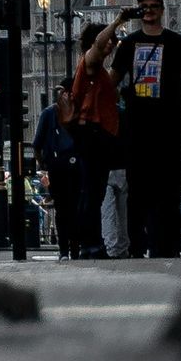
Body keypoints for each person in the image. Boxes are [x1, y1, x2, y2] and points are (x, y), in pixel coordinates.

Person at [87, 0, 181, 257]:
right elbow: (111, 84)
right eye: (143, 7)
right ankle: (138, 250)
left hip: (169, 126)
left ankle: (168, 249)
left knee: (169, 190)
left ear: (162, 10)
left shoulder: (177, 43)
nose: (148, 11)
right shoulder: (128, 44)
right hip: (137, 129)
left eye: (153, 6)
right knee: (137, 191)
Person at [68, 20, 122, 258]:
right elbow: (99, 45)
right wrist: (118, 21)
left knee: (95, 191)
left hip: (100, 136)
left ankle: (91, 242)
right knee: (91, 191)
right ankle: (90, 244)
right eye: (108, 40)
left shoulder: (99, 72)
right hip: (91, 133)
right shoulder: (90, 62)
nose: (111, 44)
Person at [33, 86, 79, 258]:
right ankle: (69, 250)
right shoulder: (53, 114)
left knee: (65, 210)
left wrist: (43, 163)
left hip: (61, 166)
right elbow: (37, 144)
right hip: (64, 166)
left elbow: (37, 144)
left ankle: (67, 250)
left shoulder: (50, 113)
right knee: (68, 209)